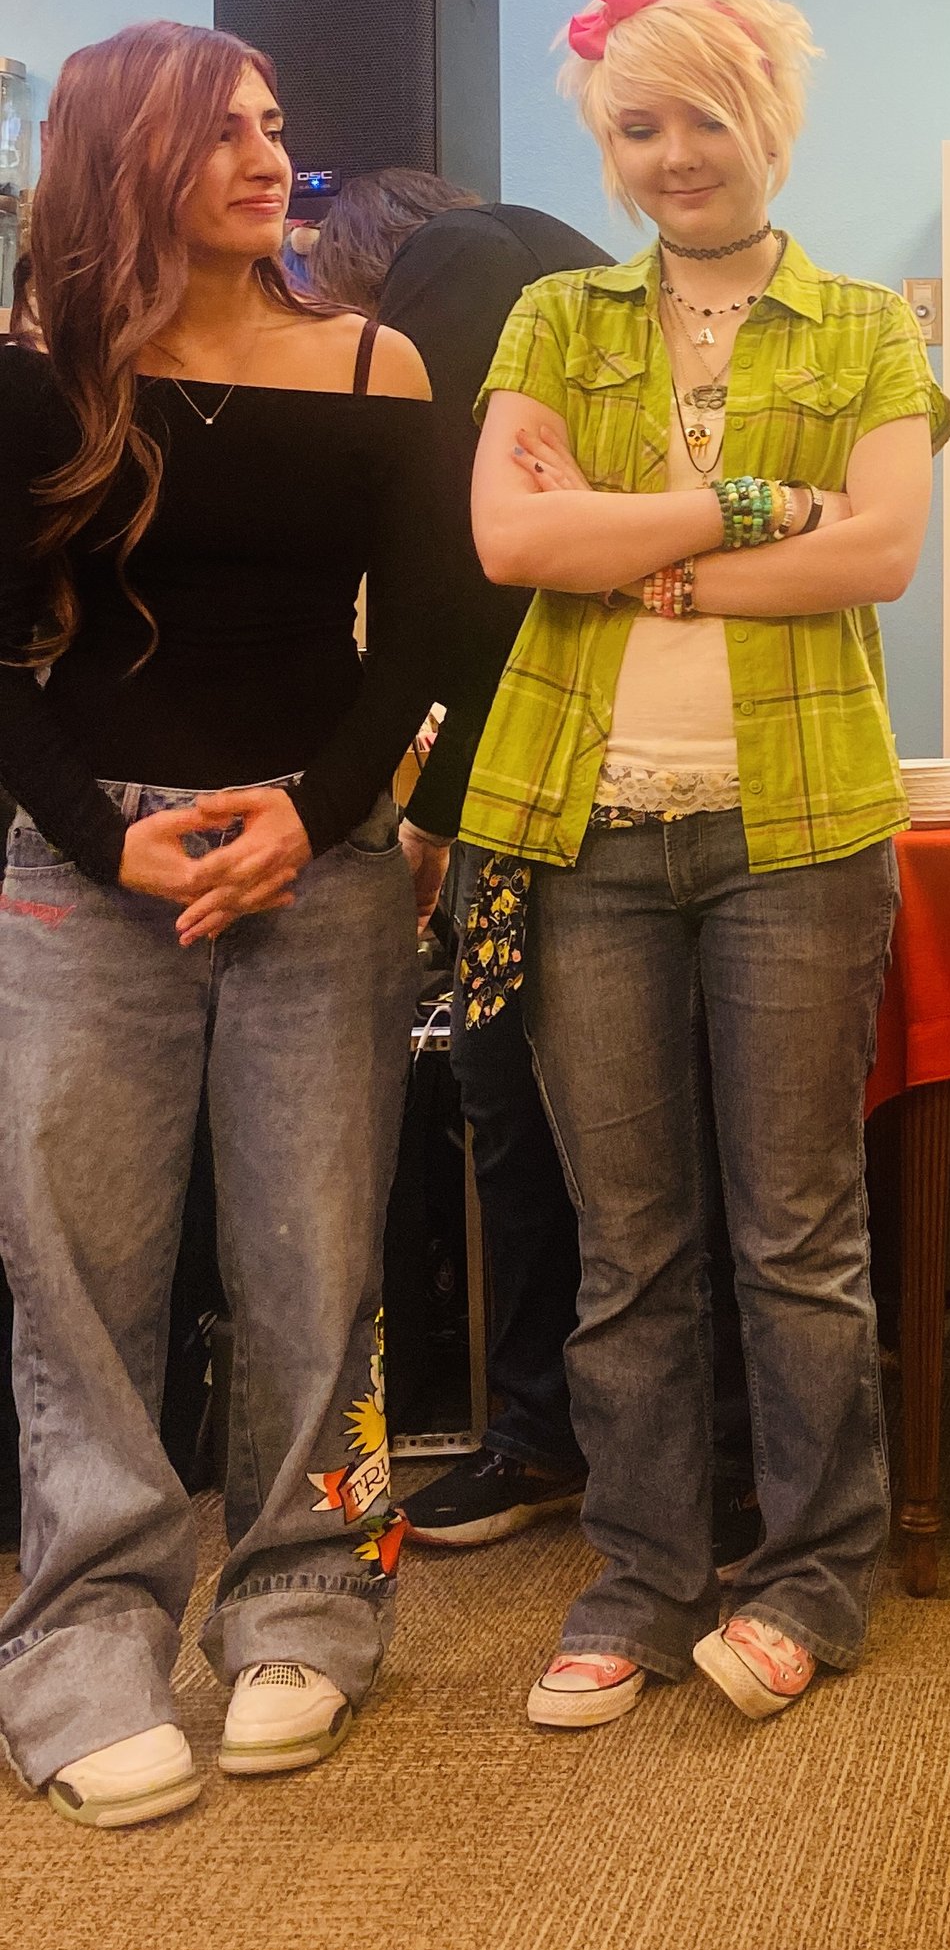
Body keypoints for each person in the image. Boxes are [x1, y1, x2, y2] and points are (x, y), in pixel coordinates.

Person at [461, 0, 950, 1732]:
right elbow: (511, 545)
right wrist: (751, 510)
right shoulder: (554, 318)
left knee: (797, 1229)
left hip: (799, 823)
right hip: (582, 819)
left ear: (770, 117)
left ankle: (813, 1571)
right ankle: (641, 1574)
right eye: (637, 124)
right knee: (630, 1241)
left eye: (707, 117)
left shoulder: (868, 324)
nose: (675, 154)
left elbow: (880, 551)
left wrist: (637, 547)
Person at [0, 23, 445, 1828]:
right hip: (81, 863)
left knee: (316, 1264)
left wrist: (315, 816)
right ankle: (81, 1641)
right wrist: (104, 846)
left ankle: (307, 1603)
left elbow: (425, 636)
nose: (272, 160)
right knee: (75, 1271)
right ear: (124, 160)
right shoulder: (34, 378)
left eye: (276, 125)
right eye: (223, 134)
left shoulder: (377, 362)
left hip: (316, 858)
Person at [311, 171, 611, 1548]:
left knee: (507, 1079)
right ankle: (598, 1430)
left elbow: (462, 575)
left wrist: (423, 816)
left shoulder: (443, 271)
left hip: (538, 775)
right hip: (593, 746)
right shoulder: (556, 254)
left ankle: (542, 1432)